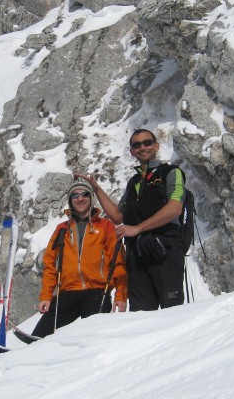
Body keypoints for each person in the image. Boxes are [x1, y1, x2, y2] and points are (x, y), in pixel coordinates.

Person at [76, 129, 186, 311]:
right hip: (138, 254)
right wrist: (96, 188)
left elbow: (175, 208)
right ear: (132, 151)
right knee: (140, 313)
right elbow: (119, 216)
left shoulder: (172, 173)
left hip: (165, 249)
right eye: (137, 145)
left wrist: (138, 228)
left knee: (172, 312)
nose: (143, 147)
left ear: (156, 146)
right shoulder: (134, 181)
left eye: (147, 142)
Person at [31, 178, 127, 338]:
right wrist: (46, 296)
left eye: (85, 194)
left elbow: (118, 263)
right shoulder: (61, 229)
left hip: (97, 292)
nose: (80, 198)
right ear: (70, 201)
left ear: (91, 198)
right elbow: (50, 265)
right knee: (40, 335)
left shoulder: (106, 226)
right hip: (68, 292)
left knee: (92, 338)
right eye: (75, 195)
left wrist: (121, 296)